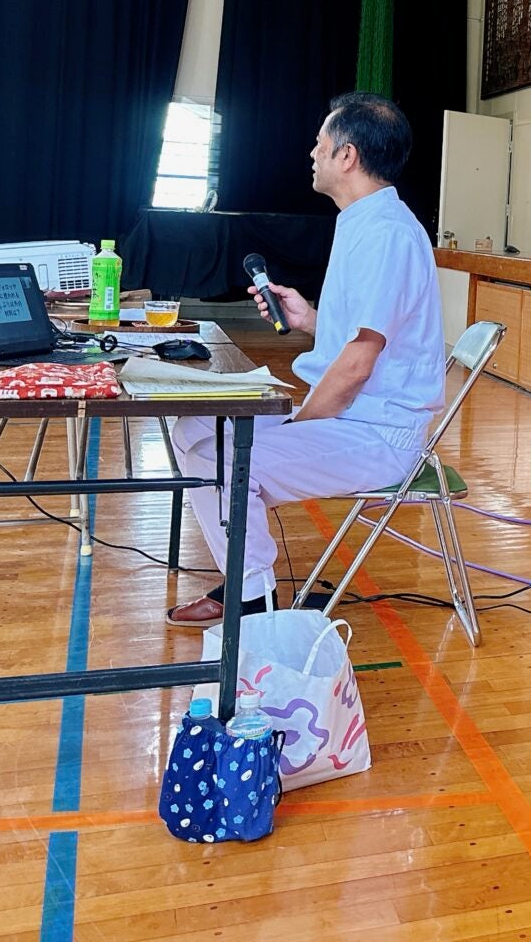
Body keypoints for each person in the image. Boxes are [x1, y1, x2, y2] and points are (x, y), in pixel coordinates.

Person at [164, 93, 445, 627]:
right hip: (353, 416)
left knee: (224, 457)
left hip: (378, 433)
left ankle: (251, 599)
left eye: (320, 143)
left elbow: (360, 363)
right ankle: (247, 580)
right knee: (194, 426)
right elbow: (370, 334)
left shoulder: (385, 233)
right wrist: (310, 319)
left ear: (347, 155)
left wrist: (298, 423)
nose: (311, 153)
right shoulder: (363, 220)